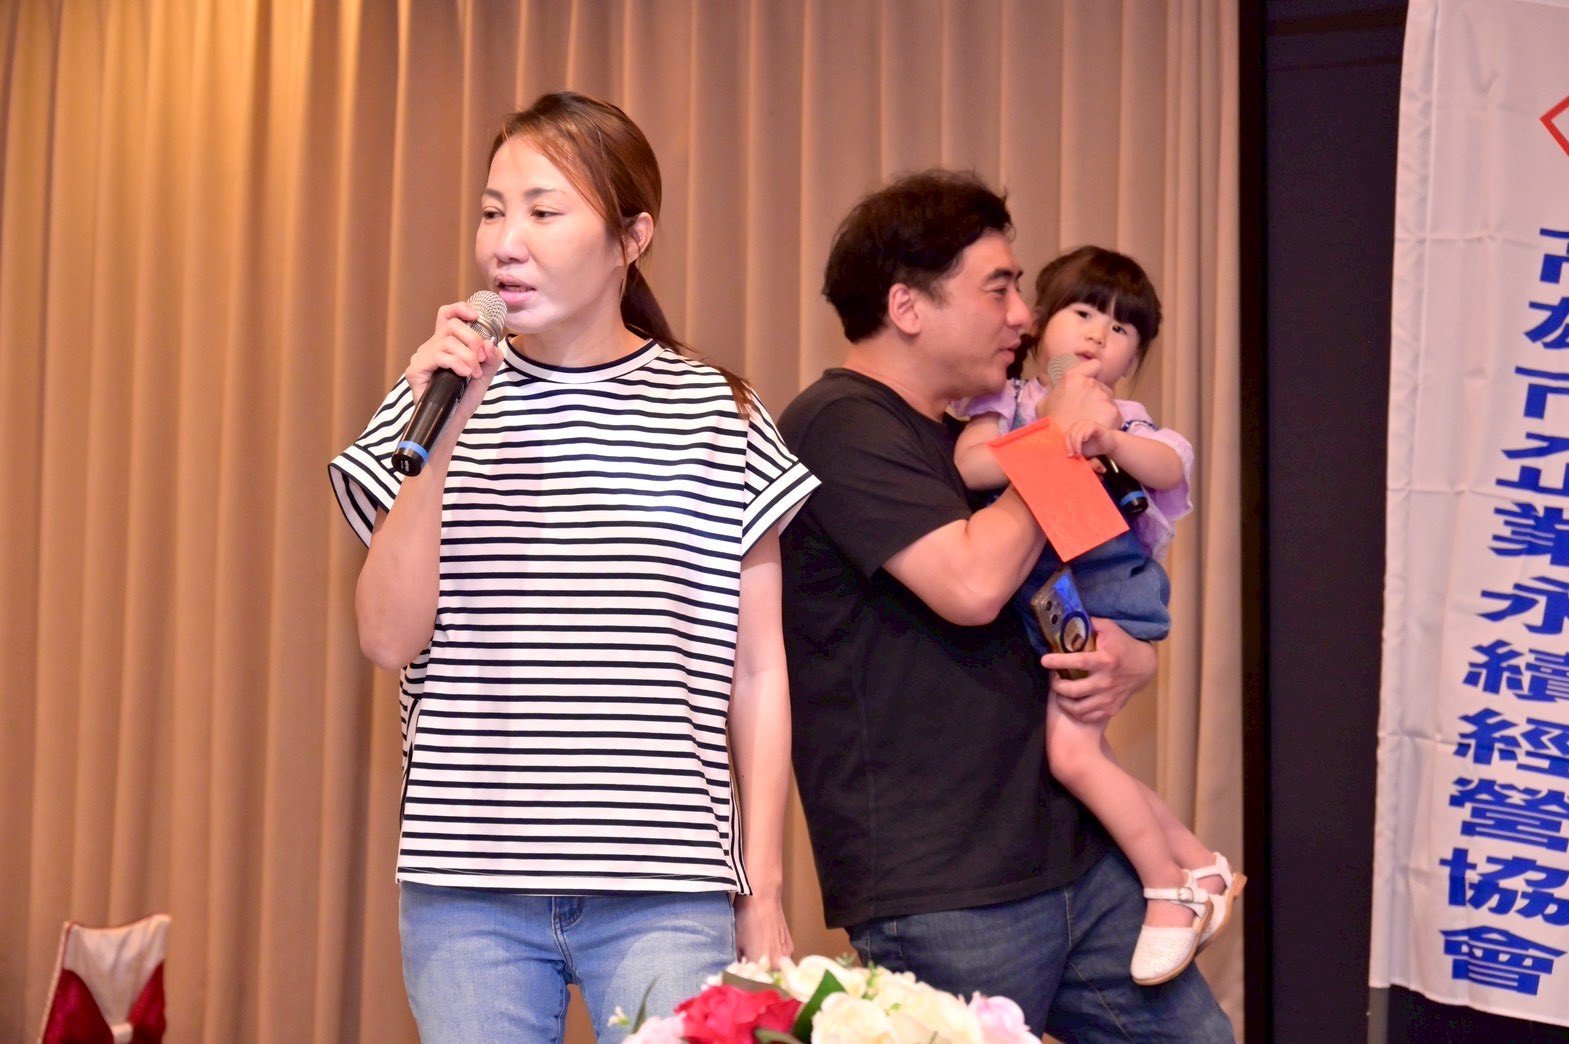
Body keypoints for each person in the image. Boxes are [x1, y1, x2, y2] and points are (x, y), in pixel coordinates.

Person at [329, 91, 817, 1043]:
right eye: (491, 211)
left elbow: (758, 671)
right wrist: (443, 441)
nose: (504, 243)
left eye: (543, 211)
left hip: (666, 882)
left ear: (632, 238)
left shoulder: (718, 412)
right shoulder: (430, 397)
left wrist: (760, 889)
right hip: (467, 889)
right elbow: (386, 638)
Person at [778, 170, 1232, 1041]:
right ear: (907, 306)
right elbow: (971, 585)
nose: (1025, 316)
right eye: (999, 288)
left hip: (1072, 854)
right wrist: (1056, 440)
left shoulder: (976, 434)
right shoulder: (838, 423)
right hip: (947, 886)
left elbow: (1080, 582)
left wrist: (1129, 658)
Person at [953, 245, 1244, 986]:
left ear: (1134, 359)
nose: (1096, 335)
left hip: (1109, 593)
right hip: (1047, 601)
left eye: (1120, 330)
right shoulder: (1006, 403)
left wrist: (1108, 436)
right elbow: (971, 464)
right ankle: (1198, 862)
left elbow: (1170, 466)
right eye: (1082, 314)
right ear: (1036, 324)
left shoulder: (1127, 419)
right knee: (1093, 757)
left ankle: (1168, 891)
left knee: (1073, 757)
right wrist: (1052, 429)